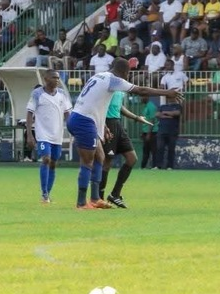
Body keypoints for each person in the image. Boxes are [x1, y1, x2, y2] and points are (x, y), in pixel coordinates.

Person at [67, 58, 181, 209]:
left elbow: (95, 102)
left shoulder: (98, 76)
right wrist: (168, 92)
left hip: (85, 119)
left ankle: (95, 199)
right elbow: (142, 90)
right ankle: (81, 203)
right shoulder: (114, 80)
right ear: (125, 72)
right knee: (88, 162)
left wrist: (102, 125)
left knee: (100, 157)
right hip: (83, 121)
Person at [99, 91, 152, 208]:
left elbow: (119, 106)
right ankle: (99, 198)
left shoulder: (120, 87)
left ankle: (115, 194)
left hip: (117, 123)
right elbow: (99, 105)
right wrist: (103, 126)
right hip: (107, 122)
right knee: (107, 161)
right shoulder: (108, 84)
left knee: (132, 158)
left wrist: (136, 117)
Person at [26, 70, 72, 203]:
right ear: (46, 79)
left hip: (57, 134)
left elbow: (68, 114)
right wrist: (30, 135)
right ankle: (44, 194)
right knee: (46, 159)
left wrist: (73, 129)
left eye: (58, 78)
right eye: (54, 77)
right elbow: (29, 113)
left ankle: (48, 194)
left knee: (53, 163)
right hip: (43, 134)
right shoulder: (37, 94)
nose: (57, 80)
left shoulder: (62, 95)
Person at [156, 95, 182, 171]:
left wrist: (164, 113)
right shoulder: (162, 106)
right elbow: (157, 114)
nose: (171, 98)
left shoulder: (178, 106)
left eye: (172, 97)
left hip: (173, 131)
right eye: (169, 97)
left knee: (171, 149)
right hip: (161, 131)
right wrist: (169, 115)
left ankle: (170, 166)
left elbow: (177, 113)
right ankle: (158, 166)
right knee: (160, 148)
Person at [139, 96, 158, 169]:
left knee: (153, 150)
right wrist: (143, 132)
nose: (141, 98)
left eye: (142, 97)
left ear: (146, 97)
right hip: (146, 131)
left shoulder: (151, 106)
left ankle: (155, 166)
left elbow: (152, 120)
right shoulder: (146, 106)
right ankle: (143, 167)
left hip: (151, 132)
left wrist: (148, 134)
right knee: (146, 150)